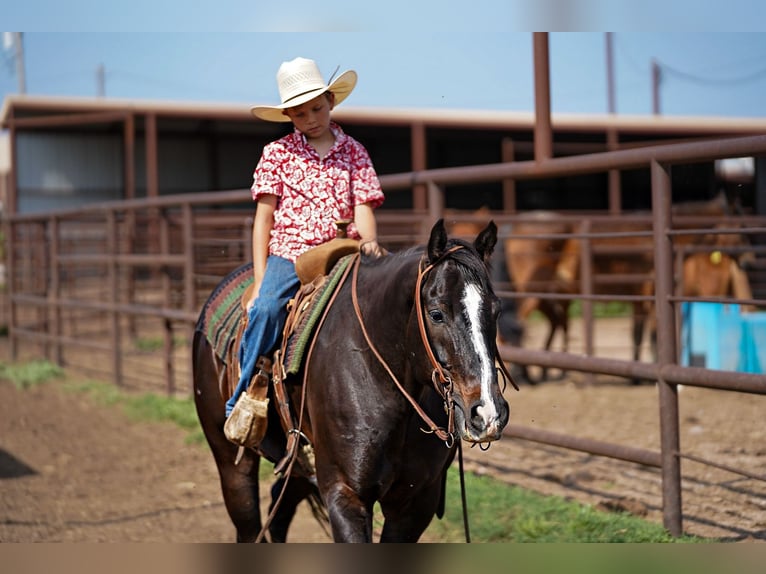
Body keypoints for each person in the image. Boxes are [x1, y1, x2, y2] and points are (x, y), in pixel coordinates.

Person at [224, 57, 385, 439]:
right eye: (299, 114)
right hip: (291, 254)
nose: (311, 118)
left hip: (344, 250)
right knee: (265, 309)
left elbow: (363, 205)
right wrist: (262, 279)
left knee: (386, 301)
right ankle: (244, 394)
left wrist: (371, 242)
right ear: (288, 117)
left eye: (316, 108)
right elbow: (263, 219)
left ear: (330, 101)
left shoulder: (355, 151)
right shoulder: (277, 154)